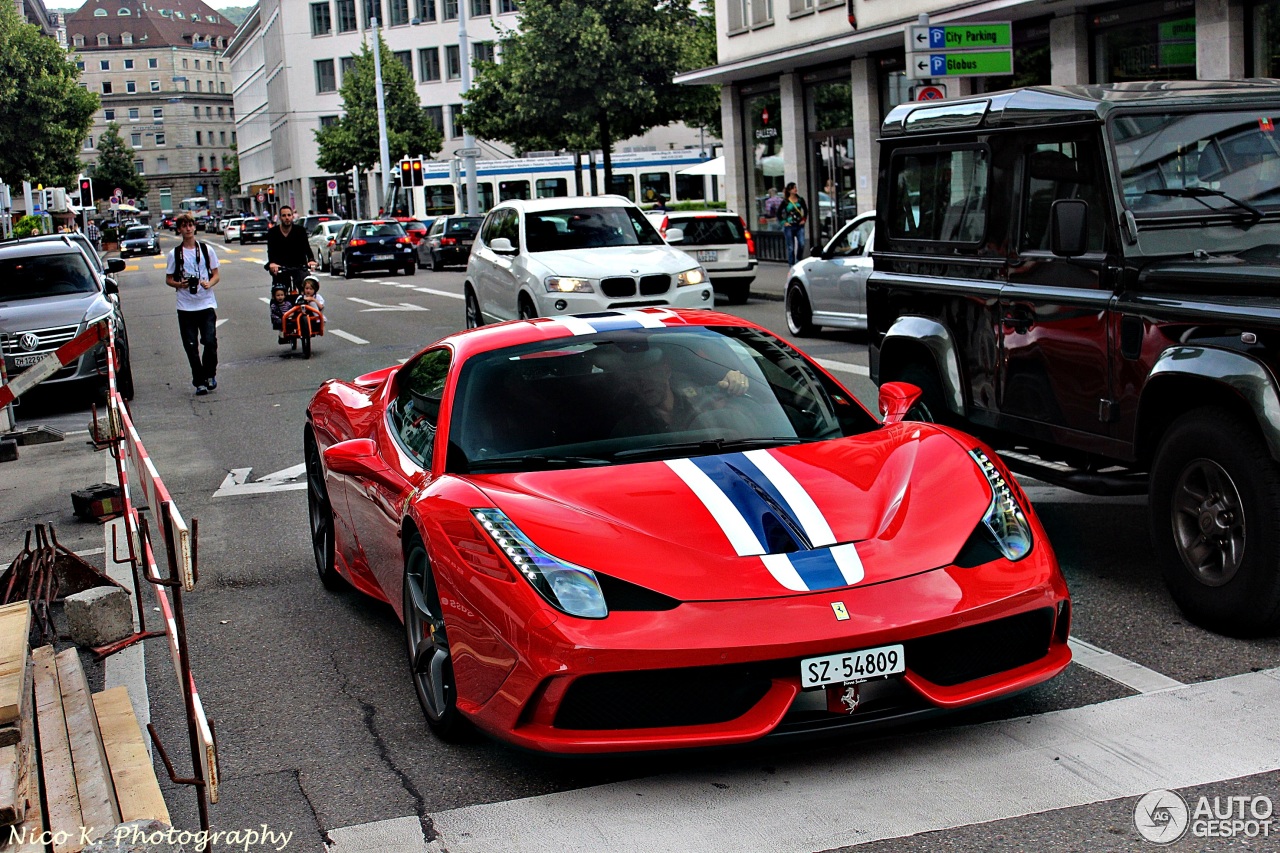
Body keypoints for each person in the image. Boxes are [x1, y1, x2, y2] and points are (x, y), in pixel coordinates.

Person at [609, 347, 750, 437]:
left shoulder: (698, 398)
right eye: (635, 379)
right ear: (630, 386)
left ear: (666, 372)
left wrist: (735, 379)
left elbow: (722, 389)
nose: (643, 383)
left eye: (649, 375)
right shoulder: (628, 430)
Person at [165, 212, 221, 395]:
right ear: (179, 229)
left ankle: (210, 373)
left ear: (194, 227)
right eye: (184, 226)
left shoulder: (206, 250)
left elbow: (216, 275)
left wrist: (208, 283)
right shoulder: (175, 254)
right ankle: (199, 381)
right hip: (185, 307)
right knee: (191, 346)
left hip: (205, 304)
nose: (188, 229)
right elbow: (168, 279)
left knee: (210, 342)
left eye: (190, 225)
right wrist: (179, 284)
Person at [265, 205, 316, 293]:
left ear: (292, 216)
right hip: (281, 267)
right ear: (280, 217)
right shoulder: (273, 232)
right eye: (284, 216)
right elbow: (271, 250)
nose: (287, 218)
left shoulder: (300, 231)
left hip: (299, 266)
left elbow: (306, 247)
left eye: (289, 215)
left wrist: (311, 260)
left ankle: (309, 303)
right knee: (279, 291)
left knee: (308, 288)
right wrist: (272, 263)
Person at [780, 182, 809, 265]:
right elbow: (778, 213)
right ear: (789, 190)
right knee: (791, 247)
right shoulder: (785, 201)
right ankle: (791, 263)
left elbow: (805, 210)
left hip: (799, 225)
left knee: (802, 244)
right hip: (789, 226)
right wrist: (784, 222)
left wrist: (804, 219)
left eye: (795, 187)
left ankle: (798, 259)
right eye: (793, 188)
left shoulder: (800, 199)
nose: (795, 189)